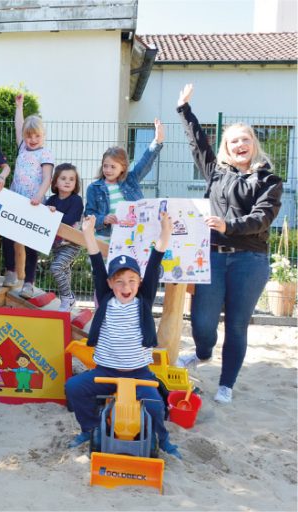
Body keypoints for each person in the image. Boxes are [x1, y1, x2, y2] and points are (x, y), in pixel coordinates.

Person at [175, 83, 283, 404]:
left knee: (236, 325)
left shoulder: (269, 181)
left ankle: (226, 384)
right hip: (213, 256)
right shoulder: (216, 173)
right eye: (234, 140)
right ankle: (204, 352)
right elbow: (198, 144)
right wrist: (184, 110)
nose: (240, 144)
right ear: (226, 147)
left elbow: (261, 219)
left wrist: (227, 224)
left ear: (254, 145)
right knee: (202, 322)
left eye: (245, 140)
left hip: (250, 260)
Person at [65, 213, 181, 459]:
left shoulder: (143, 300)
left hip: (139, 373)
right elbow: (96, 261)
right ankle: (90, 428)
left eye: (131, 281)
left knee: (155, 405)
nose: (126, 287)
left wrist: (165, 232)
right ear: (109, 283)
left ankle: (165, 440)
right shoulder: (106, 298)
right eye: (119, 282)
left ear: (139, 282)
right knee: (73, 387)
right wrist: (88, 232)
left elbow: (155, 260)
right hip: (105, 371)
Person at [1, 93, 55, 297]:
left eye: (37, 136)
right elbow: (18, 126)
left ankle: (29, 283)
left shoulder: (46, 153)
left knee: (31, 245)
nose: (32, 140)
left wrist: (38, 197)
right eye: (29, 136)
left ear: (44, 136)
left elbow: (47, 178)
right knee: (7, 235)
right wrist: (19, 106)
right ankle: (10, 271)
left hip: (34, 203)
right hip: (16, 199)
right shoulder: (23, 147)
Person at [84, 119, 165, 240]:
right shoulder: (93, 188)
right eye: (105, 166)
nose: (108, 170)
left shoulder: (131, 180)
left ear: (123, 168)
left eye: (113, 167)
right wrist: (104, 219)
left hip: (132, 236)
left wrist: (157, 141)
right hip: (105, 238)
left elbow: (145, 162)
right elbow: (89, 215)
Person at [45, 163, 85, 311]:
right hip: (56, 244)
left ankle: (66, 298)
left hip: (71, 244)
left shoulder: (76, 200)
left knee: (56, 268)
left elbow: (70, 219)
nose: (68, 182)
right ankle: (68, 299)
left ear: (76, 183)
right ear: (55, 182)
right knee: (64, 271)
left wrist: (53, 214)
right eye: (63, 178)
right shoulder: (52, 200)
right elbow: (42, 217)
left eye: (71, 179)